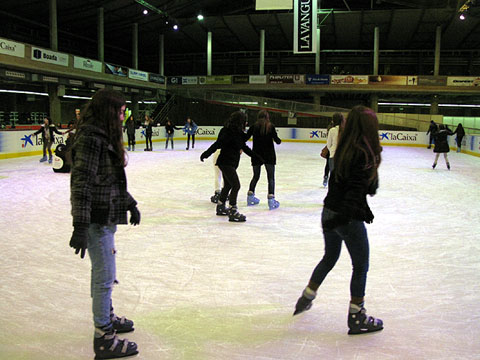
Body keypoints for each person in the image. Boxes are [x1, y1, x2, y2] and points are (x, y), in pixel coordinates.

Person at [293, 105, 384, 336]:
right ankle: (356, 315)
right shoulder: (363, 153)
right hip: (345, 217)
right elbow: (362, 191)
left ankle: (306, 297)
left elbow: (348, 188)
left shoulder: (343, 149)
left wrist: (339, 219)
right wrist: (375, 160)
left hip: (329, 211)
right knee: (361, 265)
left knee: (330, 256)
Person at [69, 89, 141, 359]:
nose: (124, 116)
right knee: (104, 278)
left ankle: (107, 318)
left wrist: (130, 203)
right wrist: (80, 225)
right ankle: (104, 338)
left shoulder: (101, 136)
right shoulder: (90, 138)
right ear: (109, 112)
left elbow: (109, 181)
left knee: (105, 274)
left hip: (105, 216)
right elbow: (82, 184)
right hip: (95, 220)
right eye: (121, 112)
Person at [200, 111, 258, 222]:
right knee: (236, 185)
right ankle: (233, 211)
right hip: (226, 162)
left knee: (228, 185)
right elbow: (217, 144)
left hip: (229, 163)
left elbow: (244, 147)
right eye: (244, 121)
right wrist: (206, 154)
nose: (245, 124)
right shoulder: (227, 131)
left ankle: (221, 207)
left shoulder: (237, 133)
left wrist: (256, 157)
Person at [244, 109, 282, 210]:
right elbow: (277, 141)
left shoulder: (253, 127)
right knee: (271, 178)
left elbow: (244, 138)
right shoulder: (271, 126)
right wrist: (278, 140)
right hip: (269, 155)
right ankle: (271, 199)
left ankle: (250, 196)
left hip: (256, 154)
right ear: (267, 117)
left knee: (255, 176)